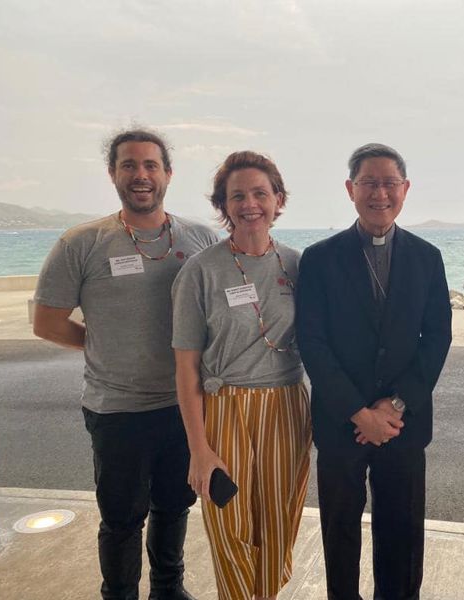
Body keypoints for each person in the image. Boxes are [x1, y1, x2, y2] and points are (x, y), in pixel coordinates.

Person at [33, 128, 219, 600]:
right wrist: (103, 347)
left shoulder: (199, 237)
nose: (141, 175)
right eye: (129, 165)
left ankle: (168, 590)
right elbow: (47, 323)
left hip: (183, 406)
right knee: (120, 518)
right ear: (113, 174)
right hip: (116, 410)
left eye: (150, 165)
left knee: (175, 506)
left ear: (168, 174)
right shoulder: (82, 242)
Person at [295, 143, 452, 600]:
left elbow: (436, 338)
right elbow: (313, 342)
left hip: (404, 422)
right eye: (369, 182)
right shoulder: (320, 258)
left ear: (405, 190)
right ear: (350, 189)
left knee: (402, 531)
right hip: (341, 422)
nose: (379, 193)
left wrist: (393, 405)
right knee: (339, 529)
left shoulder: (427, 257)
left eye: (389, 183)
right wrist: (359, 412)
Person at [171, 151, 311, 600]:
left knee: (278, 517)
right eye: (237, 196)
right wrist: (198, 449)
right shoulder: (201, 271)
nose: (250, 203)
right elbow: (186, 365)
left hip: (287, 404)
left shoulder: (298, 264)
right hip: (225, 405)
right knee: (226, 516)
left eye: (259, 193)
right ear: (223, 205)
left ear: (278, 199)